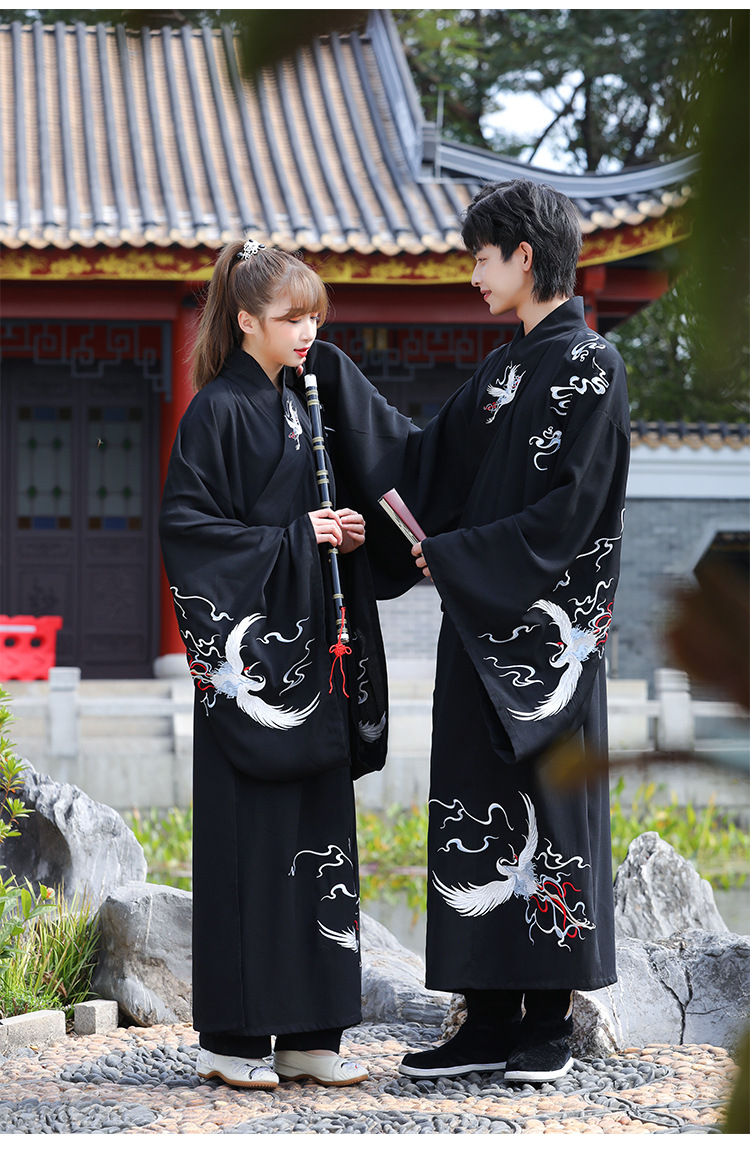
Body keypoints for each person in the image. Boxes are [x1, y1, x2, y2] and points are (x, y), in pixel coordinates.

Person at [303, 178, 630, 1084]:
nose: (474, 275)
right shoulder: (502, 371)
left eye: (482, 258)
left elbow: (573, 515)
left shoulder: (593, 366)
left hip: (544, 647)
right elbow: (421, 462)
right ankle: (485, 1021)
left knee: (547, 816)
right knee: (473, 814)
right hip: (475, 632)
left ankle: (546, 1026)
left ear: (525, 255)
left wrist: (453, 556)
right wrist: (331, 372)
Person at [159, 239, 390, 1090]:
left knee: (318, 844)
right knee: (248, 849)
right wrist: (300, 537)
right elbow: (192, 534)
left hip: (311, 670)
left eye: (314, 315)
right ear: (248, 319)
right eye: (293, 316)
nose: (308, 330)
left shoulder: (305, 403)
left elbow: (312, 520)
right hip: (253, 674)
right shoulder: (214, 411)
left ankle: (310, 1033)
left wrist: (340, 536)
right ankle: (233, 1038)